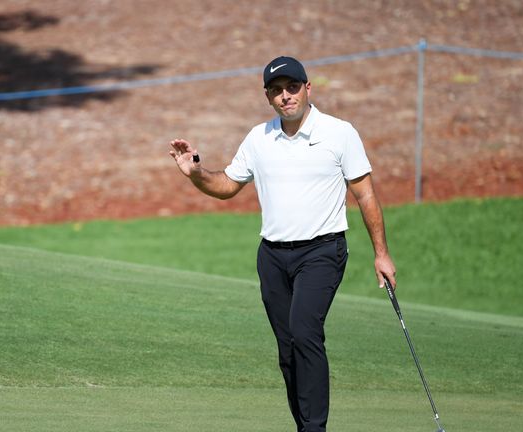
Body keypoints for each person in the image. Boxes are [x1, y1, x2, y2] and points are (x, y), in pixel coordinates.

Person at [169, 55, 396, 432]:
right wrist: (195, 174)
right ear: (268, 97)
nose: (285, 96)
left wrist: (382, 254)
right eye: (276, 91)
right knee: (288, 350)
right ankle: (304, 425)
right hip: (272, 256)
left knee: (305, 332)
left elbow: (366, 196)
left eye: (292, 88)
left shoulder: (339, 133)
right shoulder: (260, 138)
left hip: (322, 251)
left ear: (308, 89)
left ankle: (314, 429)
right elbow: (226, 185)